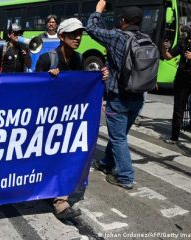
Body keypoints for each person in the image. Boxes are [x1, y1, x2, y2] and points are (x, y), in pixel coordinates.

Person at [36, 18, 109, 220]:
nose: (77, 38)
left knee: (64, 156)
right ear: (61, 36)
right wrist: (48, 80)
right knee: (47, 157)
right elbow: (32, 91)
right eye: (72, 34)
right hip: (46, 120)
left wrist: (99, 77)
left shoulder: (77, 59)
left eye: (80, 34)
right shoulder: (46, 59)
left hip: (68, 120)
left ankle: (60, 199)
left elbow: (82, 87)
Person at [87, 1, 146, 190]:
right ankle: (106, 162)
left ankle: (126, 176)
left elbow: (91, 28)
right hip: (138, 97)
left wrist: (98, 10)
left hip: (119, 96)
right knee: (118, 133)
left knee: (119, 137)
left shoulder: (118, 37)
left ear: (123, 21)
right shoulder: (146, 39)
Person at [161, 22, 191, 144]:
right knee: (178, 108)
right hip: (182, 79)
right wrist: (164, 47)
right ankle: (174, 137)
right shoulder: (183, 42)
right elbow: (168, 56)